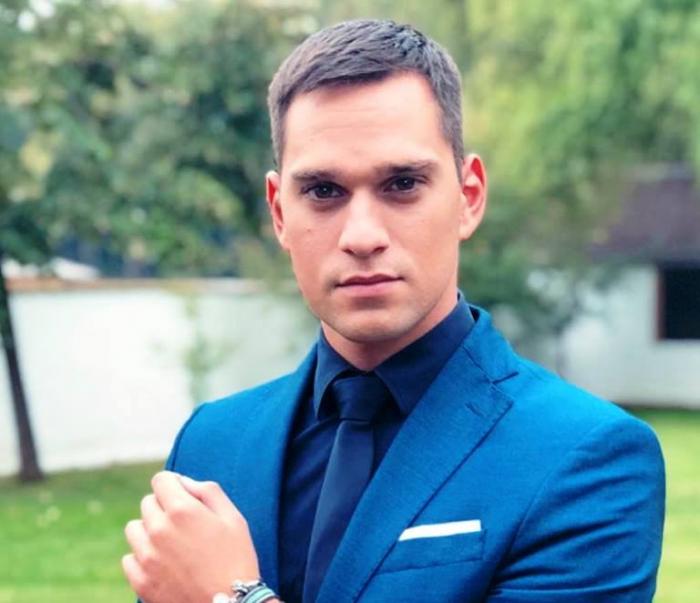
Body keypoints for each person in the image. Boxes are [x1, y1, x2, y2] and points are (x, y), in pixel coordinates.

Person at [122, 19, 665, 603]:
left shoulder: (586, 456)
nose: (362, 235)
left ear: (468, 197)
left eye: (402, 184)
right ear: (279, 213)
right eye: (323, 191)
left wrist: (234, 598)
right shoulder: (211, 444)